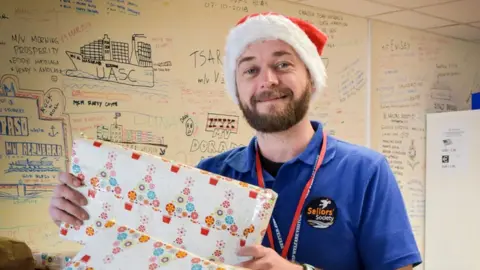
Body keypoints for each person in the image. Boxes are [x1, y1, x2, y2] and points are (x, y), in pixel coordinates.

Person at [49, 12, 422, 270]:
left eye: (283, 63)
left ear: (310, 77)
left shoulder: (366, 172)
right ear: (238, 88)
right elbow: (147, 247)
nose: (267, 81)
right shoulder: (210, 176)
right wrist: (82, 210)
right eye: (250, 69)